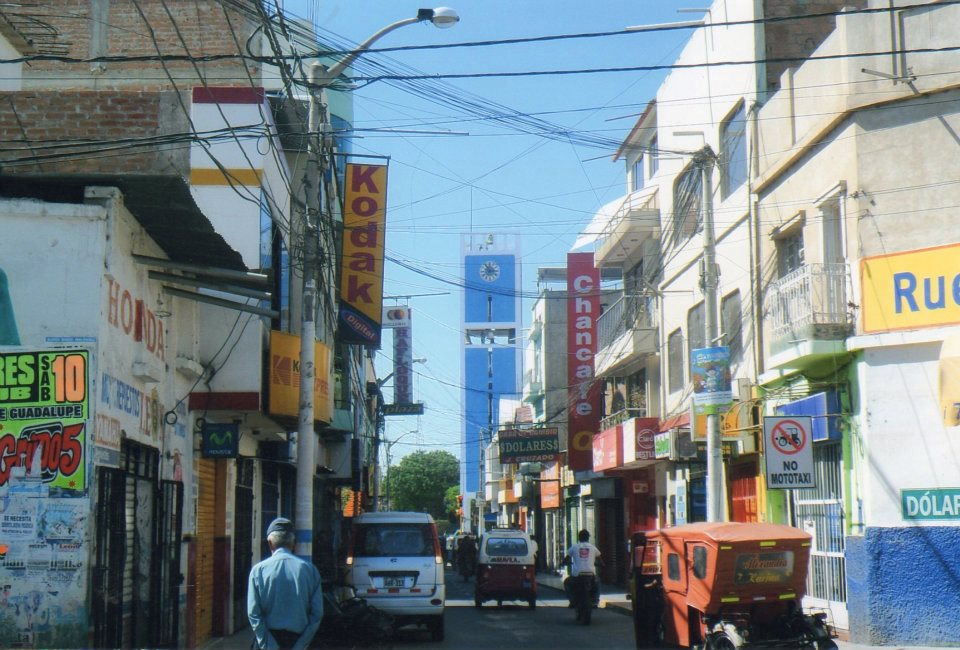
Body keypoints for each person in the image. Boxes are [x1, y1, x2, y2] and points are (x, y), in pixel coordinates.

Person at [248, 518, 324, 650]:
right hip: (298, 639)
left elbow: (254, 613)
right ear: (294, 543)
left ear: (270, 543)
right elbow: (317, 613)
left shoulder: (258, 571)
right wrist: (301, 644)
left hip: (269, 639)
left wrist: (268, 644)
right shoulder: (310, 570)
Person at [563, 529, 603, 608]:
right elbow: (601, 562)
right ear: (588, 538)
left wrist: (565, 563)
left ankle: (572, 601)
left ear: (579, 538)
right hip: (591, 575)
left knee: (567, 583)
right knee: (597, 584)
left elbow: (566, 560)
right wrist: (598, 564)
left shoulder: (574, 547)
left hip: (577, 575)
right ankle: (595, 601)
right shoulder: (593, 548)